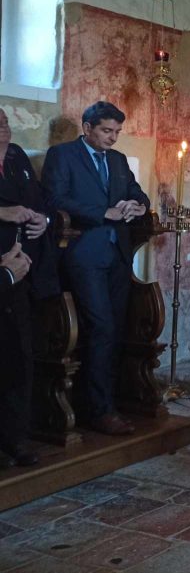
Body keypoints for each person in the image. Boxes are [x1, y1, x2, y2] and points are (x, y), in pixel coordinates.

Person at [42, 101, 150, 436]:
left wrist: (138, 205)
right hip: (83, 254)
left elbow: (136, 192)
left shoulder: (117, 160)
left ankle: (107, 403)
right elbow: (54, 199)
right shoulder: (62, 156)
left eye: (117, 131)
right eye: (106, 130)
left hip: (118, 254)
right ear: (87, 128)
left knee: (115, 328)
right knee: (101, 326)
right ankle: (99, 410)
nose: (112, 137)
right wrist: (103, 212)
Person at [0, 107, 55, 466]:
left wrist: (43, 219)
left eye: (5, 121)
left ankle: (15, 438)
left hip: (20, 271)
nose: (3, 127)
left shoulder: (17, 156)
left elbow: (38, 199)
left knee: (18, 357)